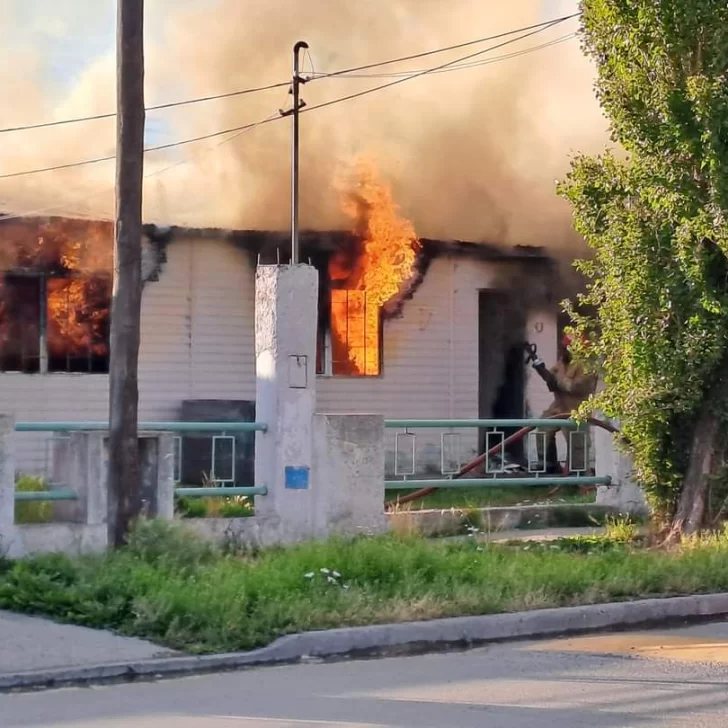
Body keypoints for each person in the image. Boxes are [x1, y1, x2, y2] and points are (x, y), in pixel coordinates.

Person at [531, 334, 597, 474]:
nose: (562, 350)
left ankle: (578, 476)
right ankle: (549, 466)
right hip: (558, 407)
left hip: (577, 410)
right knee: (543, 429)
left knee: (577, 444)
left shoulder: (587, 366)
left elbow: (573, 387)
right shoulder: (564, 362)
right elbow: (551, 380)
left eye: (566, 347)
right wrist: (539, 366)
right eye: (563, 347)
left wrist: (559, 377)